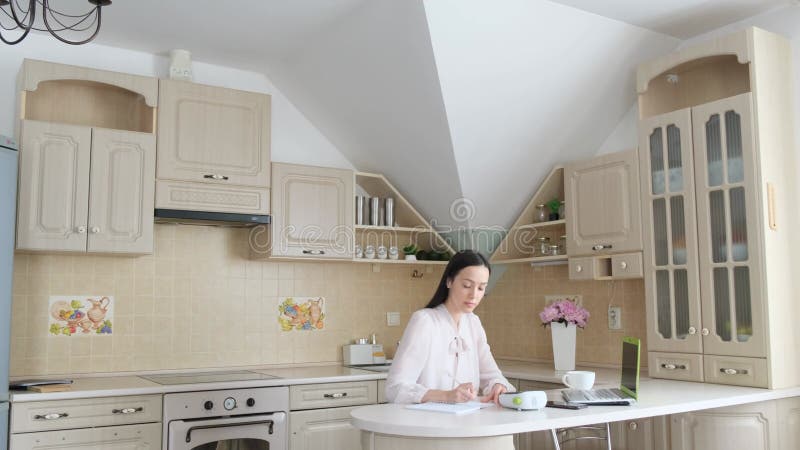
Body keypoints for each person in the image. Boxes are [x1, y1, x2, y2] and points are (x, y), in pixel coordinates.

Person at [385, 250, 515, 404]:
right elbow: (395, 388)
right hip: (426, 419)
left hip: (468, 418)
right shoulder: (425, 321)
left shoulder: (473, 323)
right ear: (449, 282)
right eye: (467, 285)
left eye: (481, 288)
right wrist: (445, 396)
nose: (474, 295)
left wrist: (498, 385)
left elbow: (492, 375)